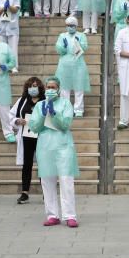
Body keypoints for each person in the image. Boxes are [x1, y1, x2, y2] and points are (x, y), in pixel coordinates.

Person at [27, 76, 80, 227]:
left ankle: (70, 215)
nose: (50, 90)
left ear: (58, 89)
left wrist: (54, 115)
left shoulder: (65, 104)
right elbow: (34, 127)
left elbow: (65, 125)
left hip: (63, 146)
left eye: (53, 87)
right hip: (45, 147)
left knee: (66, 181)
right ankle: (52, 215)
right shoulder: (39, 106)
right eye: (48, 87)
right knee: (47, 181)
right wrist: (43, 115)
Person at [11, 77, 45, 204]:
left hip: (41, 136)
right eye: (30, 86)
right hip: (26, 136)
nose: (33, 88)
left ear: (40, 87)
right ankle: (25, 192)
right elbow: (12, 116)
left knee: (43, 164)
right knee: (27, 164)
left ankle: (46, 192)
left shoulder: (45, 100)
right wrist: (17, 121)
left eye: (35, 86)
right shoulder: (22, 101)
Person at [55, 16, 89, 117]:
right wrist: (63, 47)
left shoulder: (81, 35)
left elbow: (84, 47)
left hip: (78, 64)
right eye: (68, 25)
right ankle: (66, 109)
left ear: (76, 26)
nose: (70, 27)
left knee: (79, 87)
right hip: (64, 65)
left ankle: (78, 110)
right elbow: (59, 50)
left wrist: (79, 44)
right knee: (64, 88)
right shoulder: (62, 36)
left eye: (72, 25)